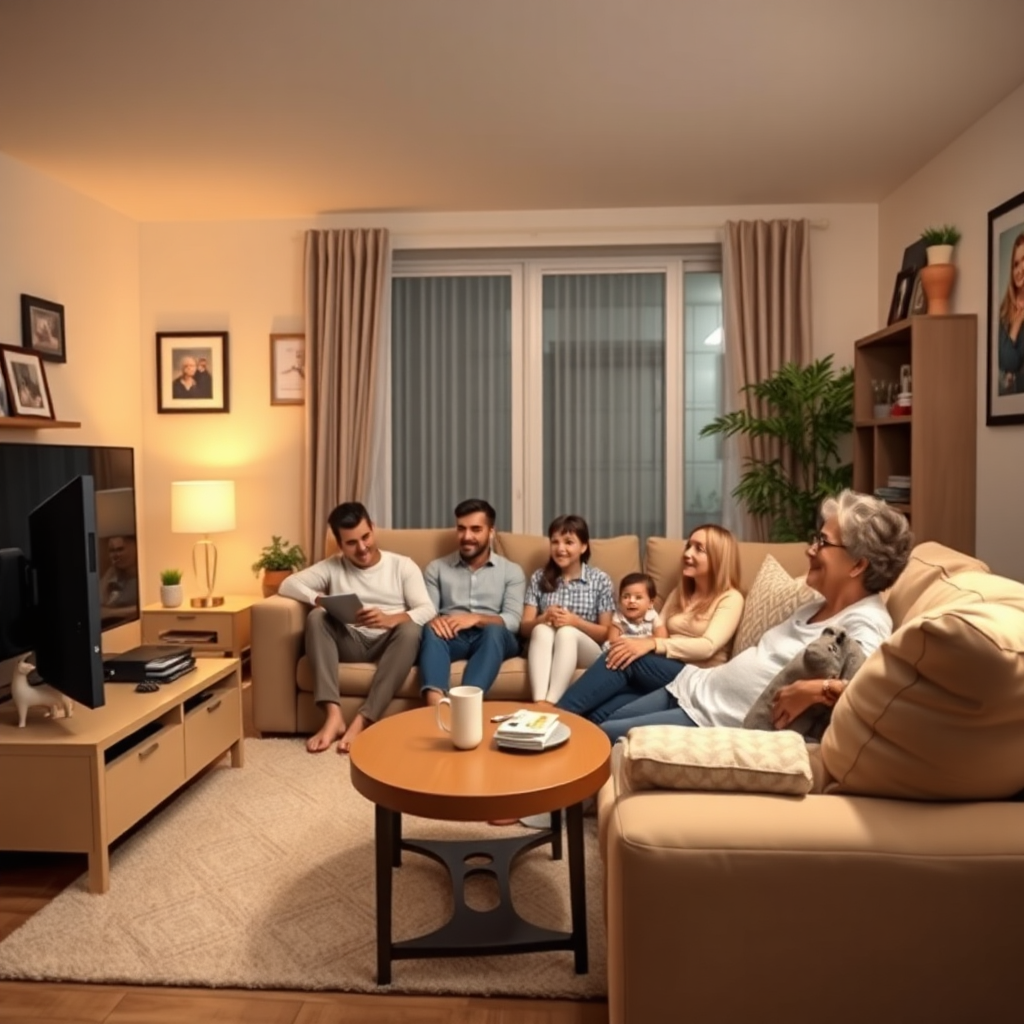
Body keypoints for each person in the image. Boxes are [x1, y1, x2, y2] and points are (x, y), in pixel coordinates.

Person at [594, 491, 912, 743]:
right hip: (694, 688)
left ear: (858, 565)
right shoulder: (817, 603)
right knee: (603, 725)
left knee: (603, 739)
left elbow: (874, 692)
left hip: (714, 720)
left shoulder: (866, 620)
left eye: (823, 543)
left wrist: (815, 690)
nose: (810, 550)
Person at [278, 501, 435, 753]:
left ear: (373, 529)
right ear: (340, 545)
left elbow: (427, 610)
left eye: (366, 537)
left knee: (411, 629)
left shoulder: (402, 565)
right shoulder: (333, 565)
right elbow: (287, 584)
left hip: (391, 645)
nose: (362, 548)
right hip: (350, 640)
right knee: (317, 617)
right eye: (351, 543)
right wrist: (318, 599)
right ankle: (333, 716)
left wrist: (390, 619)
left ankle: (363, 719)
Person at [557, 525, 743, 723]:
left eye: (699, 549)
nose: (687, 553)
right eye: (688, 546)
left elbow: (708, 646)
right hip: (663, 672)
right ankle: (566, 742)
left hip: (697, 678)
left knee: (624, 654)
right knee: (599, 711)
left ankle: (554, 717)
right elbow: (658, 628)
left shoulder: (731, 598)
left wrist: (652, 644)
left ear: (718, 557)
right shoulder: (681, 593)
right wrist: (649, 643)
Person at [418, 498, 525, 706]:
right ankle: (434, 705)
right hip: (453, 636)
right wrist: (434, 620)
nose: (467, 537)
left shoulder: (511, 571)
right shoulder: (436, 568)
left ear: (491, 531)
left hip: (494, 639)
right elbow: (427, 612)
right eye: (461, 529)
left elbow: (513, 621)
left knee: (494, 630)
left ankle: (465, 704)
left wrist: (475, 619)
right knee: (431, 629)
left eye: (476, 529)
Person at [521, 514, 614, 704]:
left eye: (568, 542)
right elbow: (524, 627)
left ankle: (551, 703)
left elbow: (607, 633)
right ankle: (540, 701)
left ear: (583, 547)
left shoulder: (600, 580)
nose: (560, 548)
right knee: (541, 629)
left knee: (567, 633)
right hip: (546, 645)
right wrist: (543, 617)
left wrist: (575, 622)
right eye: (555, 542)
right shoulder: (539, 578)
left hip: (586, 650)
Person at [602, 572, 668, 649]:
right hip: (623, 650)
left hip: (645, 650)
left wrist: (639, 642)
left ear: (650, 603)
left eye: (638, 597)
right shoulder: (619, 616)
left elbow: (662, 637)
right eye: (626, 597)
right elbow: (612, 640)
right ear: (619, 601)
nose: (631, 601)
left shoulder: (652, 615)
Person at [997, 231, 1024, 394]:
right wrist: (1015, 326)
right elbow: (1008, 362)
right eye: (1015, 264)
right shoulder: (1003, 311)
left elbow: (1012, 363)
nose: (1019, 269)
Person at [99, 535, 139, 623]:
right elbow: (100, 602)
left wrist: (111, 613)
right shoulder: (115, 575)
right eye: (112, 551)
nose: (116, 555)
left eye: (120, 549)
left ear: (135, 548)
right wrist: (112, 569)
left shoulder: (142, 578)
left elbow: (142, 609)